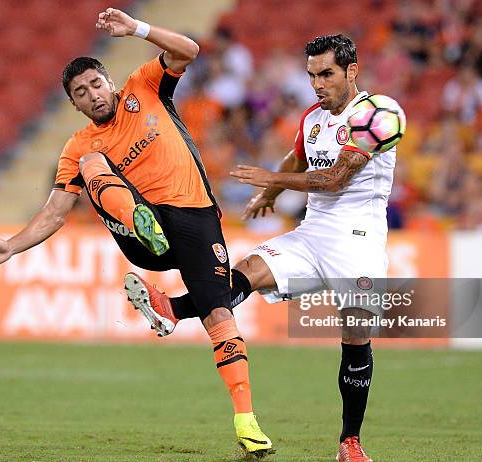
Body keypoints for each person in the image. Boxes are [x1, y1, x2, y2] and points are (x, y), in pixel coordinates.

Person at [0, 7, 272, 457]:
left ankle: (247, 424)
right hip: (141, 230)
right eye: (80, 93)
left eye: (94, 84)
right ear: (74, 105)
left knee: (219, 316)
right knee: (92, 163)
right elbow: (54, 213)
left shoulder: (144, 86)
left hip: (197, 219)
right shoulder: (79, 145)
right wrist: (10, 246)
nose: (91, 95)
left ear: (109, 82)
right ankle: (141, 225)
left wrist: (137, 29)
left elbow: (190, 50)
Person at [134, 34, 396, 462]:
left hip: (359, 241)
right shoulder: (313, 117)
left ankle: (350, 442)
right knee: (249, 269)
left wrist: (267, 180)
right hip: (314, 233)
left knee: (355, 336)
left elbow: (334, 180)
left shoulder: (376, 116)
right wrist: (273, 193)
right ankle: (171, 311)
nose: (317, 84)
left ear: (351, 71)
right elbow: (299, 158)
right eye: (311, 75)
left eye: (327, 74)